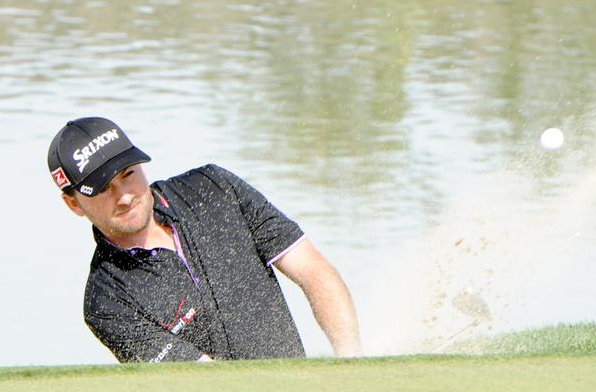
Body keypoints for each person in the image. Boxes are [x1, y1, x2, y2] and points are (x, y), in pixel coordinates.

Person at [47, 116, 361, 363]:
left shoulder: (214, 190)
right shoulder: (107, 303)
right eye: (103, 189)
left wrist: (350, 365)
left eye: (128, 174)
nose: (125, 196)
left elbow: (312, 270)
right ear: (73, 203)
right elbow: (201, 381)